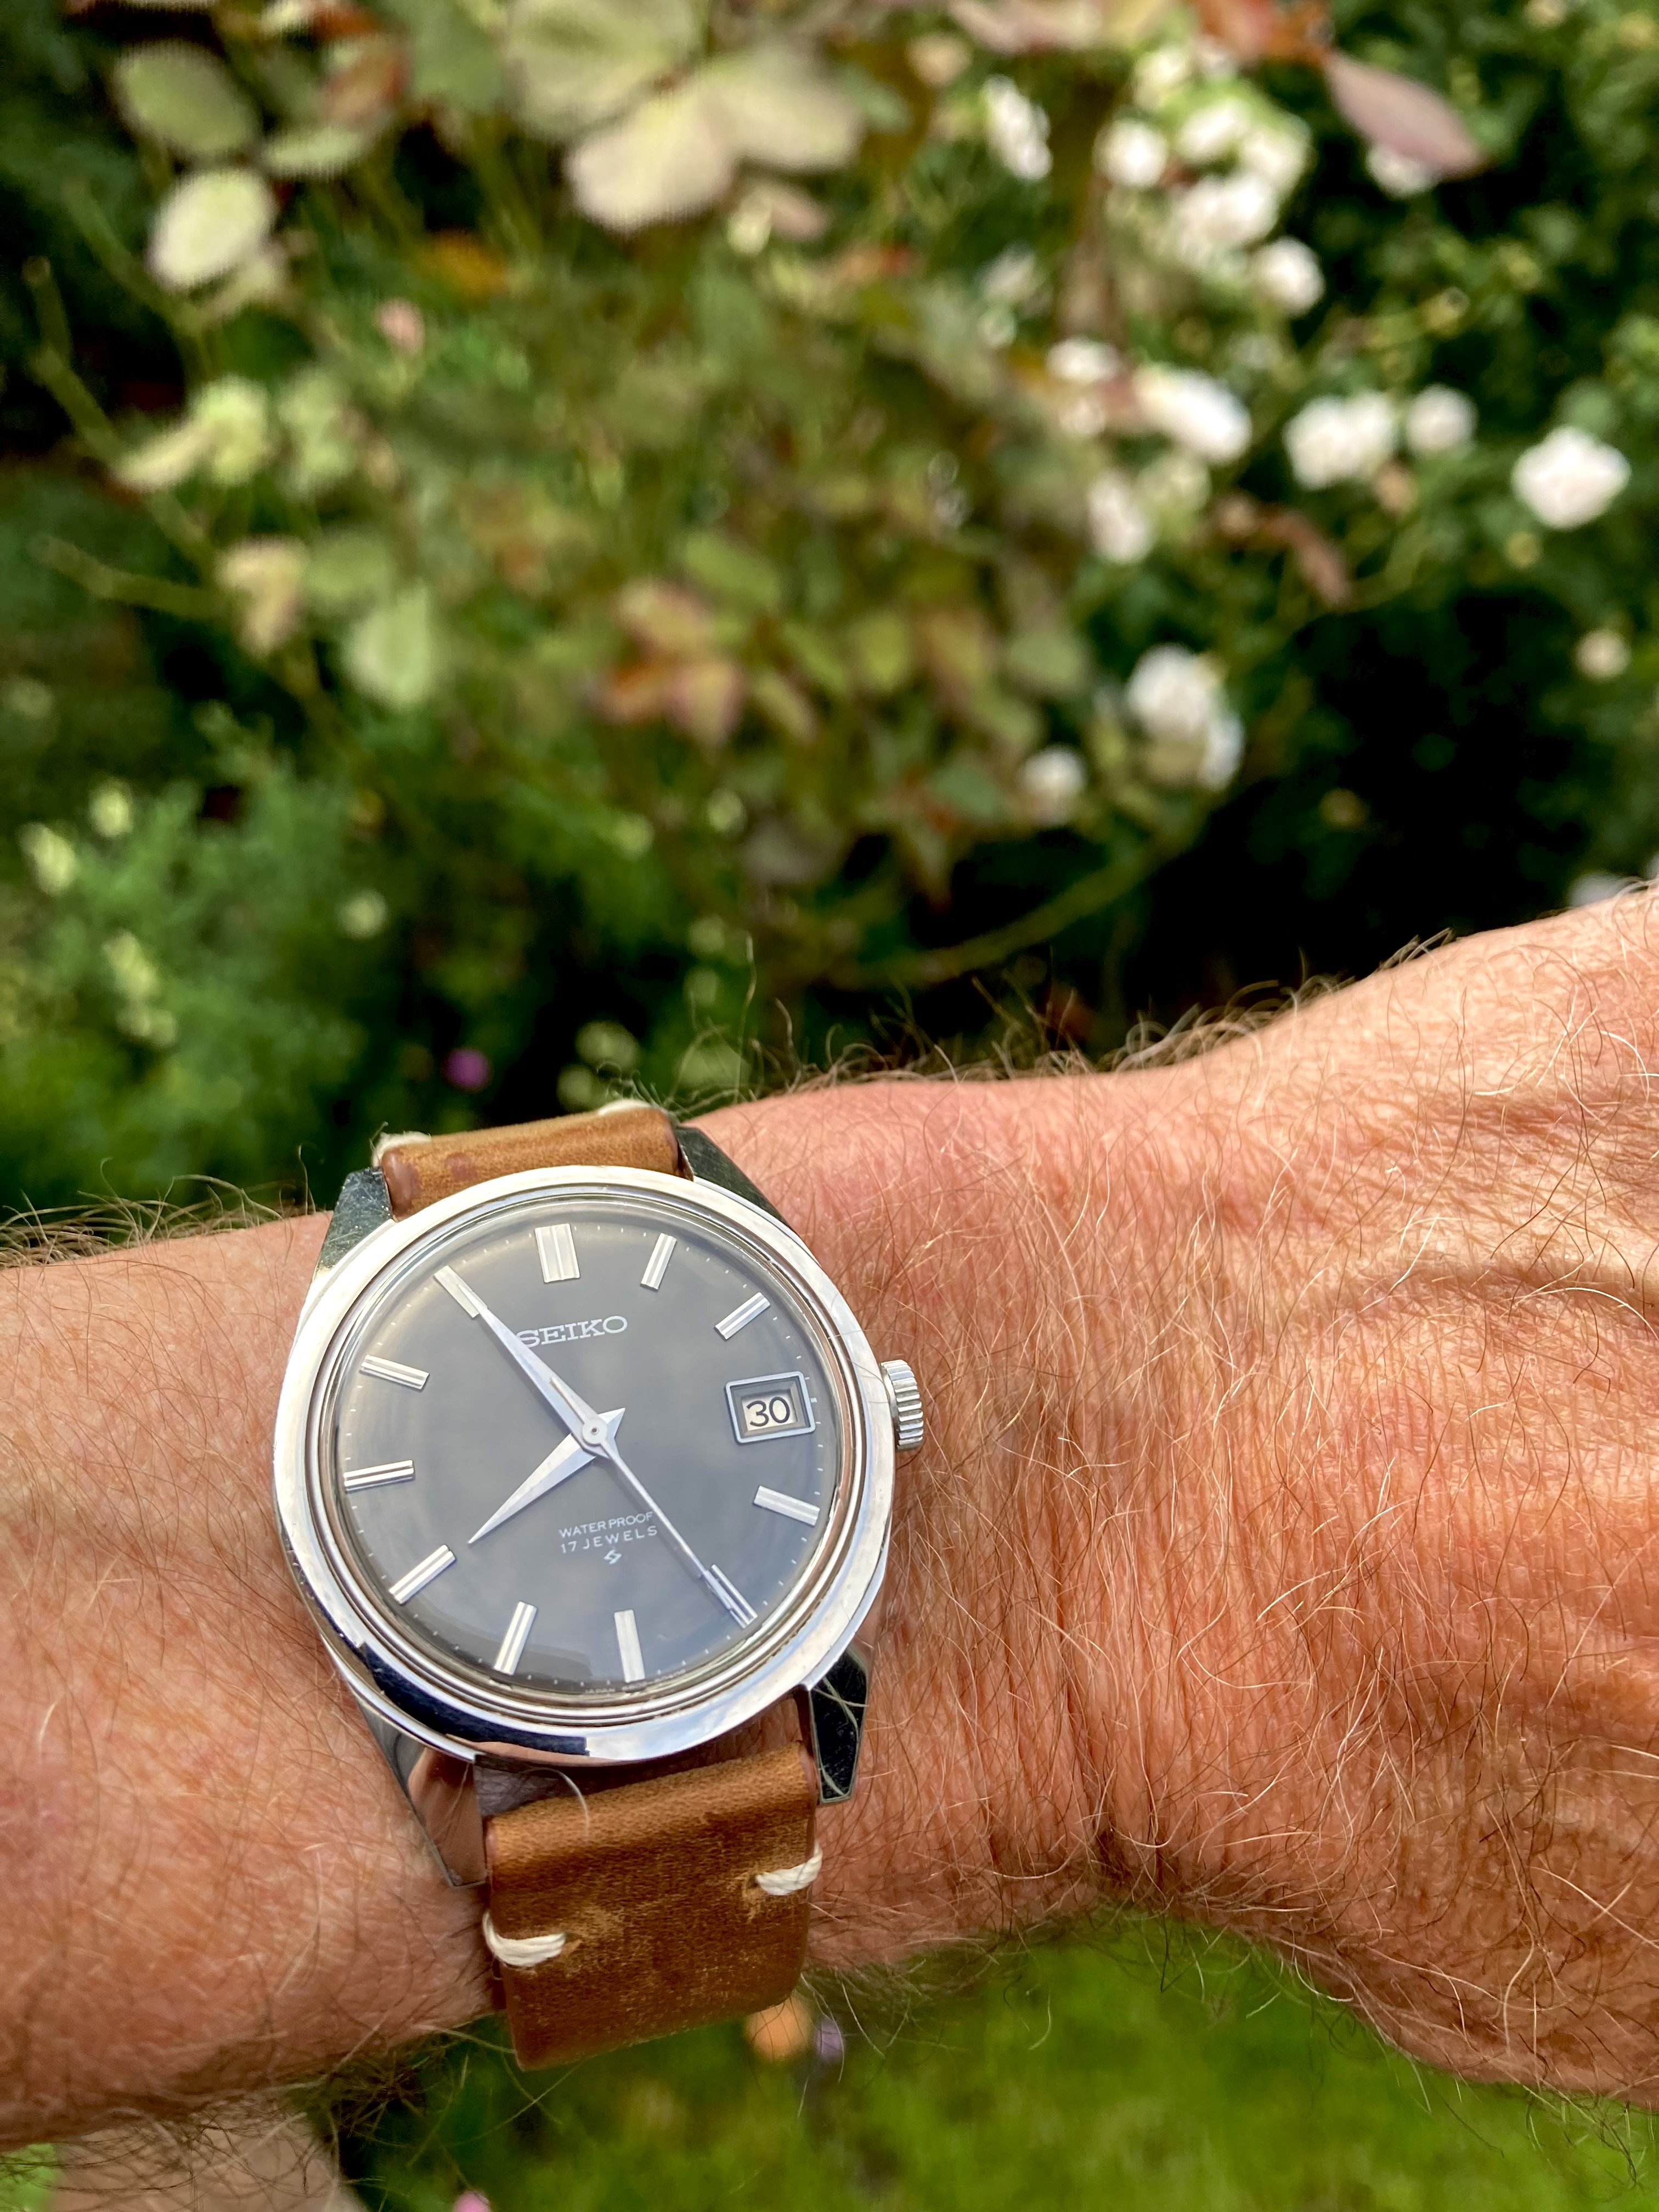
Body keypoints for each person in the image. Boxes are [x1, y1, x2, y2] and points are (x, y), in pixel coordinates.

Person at [9, 891, 1659, 2152]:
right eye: (575, 1429)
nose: (592, 1434)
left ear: (879, 1402)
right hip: (503, 1690)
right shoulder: (400, 1562)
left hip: (677, 1647)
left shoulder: (809, 1432)